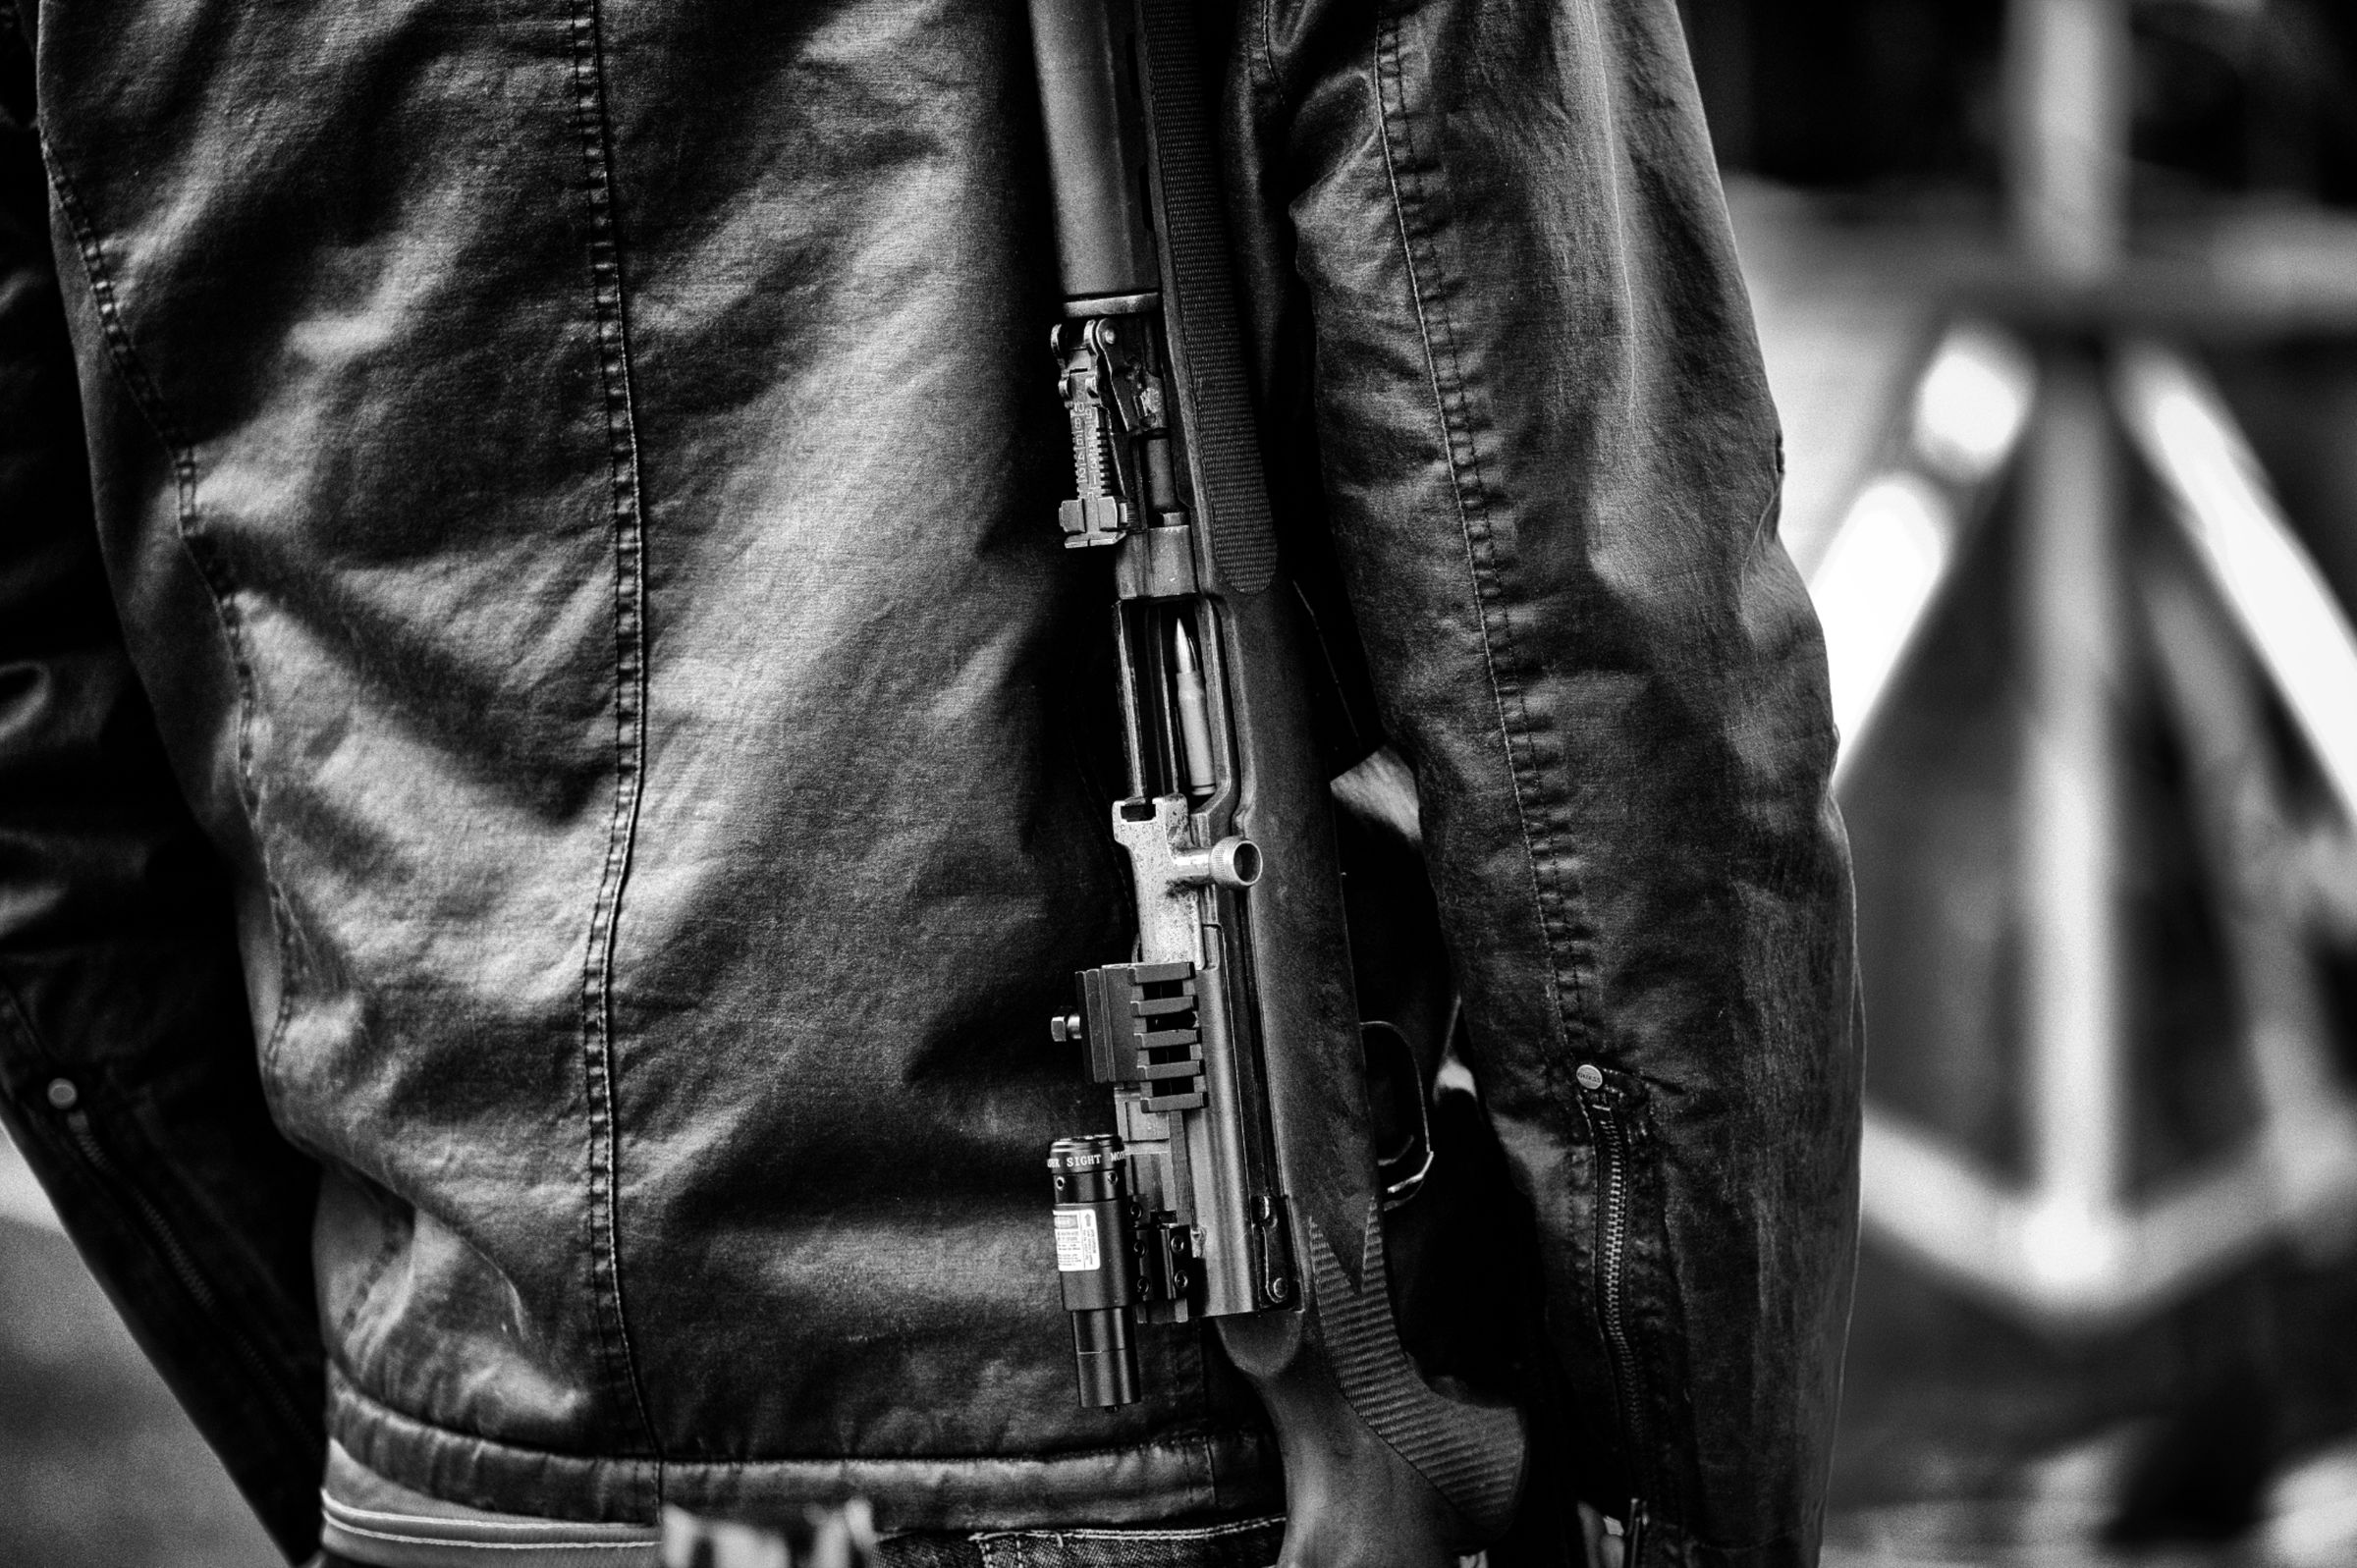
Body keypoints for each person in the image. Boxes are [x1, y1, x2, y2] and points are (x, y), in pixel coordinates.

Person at [0, 0, 1861, 1564]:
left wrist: (403, 1421)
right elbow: (1618, 724)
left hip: (457, 1475)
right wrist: (1661, 1517)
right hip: (1139, 1461)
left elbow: (42, 808)